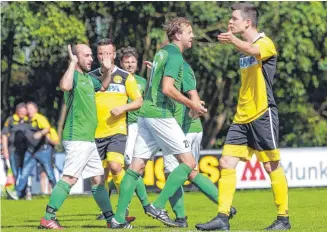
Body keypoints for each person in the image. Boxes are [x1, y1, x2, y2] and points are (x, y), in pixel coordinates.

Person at [195, 3, 291, 231]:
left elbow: (255, 51)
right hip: (242, 117)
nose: (230, 22)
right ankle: (222, 217)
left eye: (234, 18)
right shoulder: (243, 47)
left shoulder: (264, 43)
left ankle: (283, 219)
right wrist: (236, 42)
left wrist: (233, 40)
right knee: (226, 162)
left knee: (270, 165)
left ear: (247, 22)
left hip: (261, 113)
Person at [112, 17, 207, 228]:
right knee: (189, 163)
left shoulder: (161, 52)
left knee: (135, 167)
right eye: (189, 32)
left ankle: (118, 219)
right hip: (160, 114)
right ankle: (159, 206)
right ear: (177, 35)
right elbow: (167, 88)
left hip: (145, 113)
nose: (192, 36)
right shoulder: (174, 55)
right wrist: (191, 103)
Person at [39, 44, 125, 229]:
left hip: (88, 139)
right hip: (77, 137)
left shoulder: (88, 78)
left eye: (90, 55)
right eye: (86, 56)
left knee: (98, 179)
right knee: (70, 178)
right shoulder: (75, 76)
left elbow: (103, 85)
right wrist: (72, 63)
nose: (91, 58)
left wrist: (108, 70)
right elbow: (64, 86)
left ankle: (111, 219)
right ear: (77, 58)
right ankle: (48, 217)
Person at [162, 60, 237, 227]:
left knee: (171, 172)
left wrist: (193, 109)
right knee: (190, 172)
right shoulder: (180, 66)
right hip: (191, 128)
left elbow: (193, 94)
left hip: (183, 129)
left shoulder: (179, 67)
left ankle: (180, 218)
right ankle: (226, 207)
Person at [89, 39, 149, 222]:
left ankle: (123, 208)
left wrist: (122, 109)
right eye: (101, 53)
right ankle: (109, 215)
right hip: (94, 132)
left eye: (108, 53)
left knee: (116, 166)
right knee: (98, 177)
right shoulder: (90, 77)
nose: (104, 57)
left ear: (114, 55)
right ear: (97, 55)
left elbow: (138, 101)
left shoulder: (125, 77)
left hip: (118, 129)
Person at [15, 101, 59, 199]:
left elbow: (47, 128)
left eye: (31, 109)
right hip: (31, 151)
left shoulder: (40, 118)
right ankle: (17, 194)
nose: (29, 111)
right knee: (25, 173)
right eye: (28, 109)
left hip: (43, 151)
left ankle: (57, 193)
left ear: (36, 109)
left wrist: (40, 133)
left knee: (49, 173)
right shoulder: (25, 120)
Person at [1, 103, 28, 182]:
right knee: (13, 171)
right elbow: (4, 135)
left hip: (26, 151)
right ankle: (13, 190)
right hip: (13, 149)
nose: (22, 113)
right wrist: (5, 150)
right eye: (21, 111)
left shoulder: (29, 120)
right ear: (17, 111)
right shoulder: (10, 120)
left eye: (24, 111)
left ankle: (22, 191)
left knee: (25, 171)